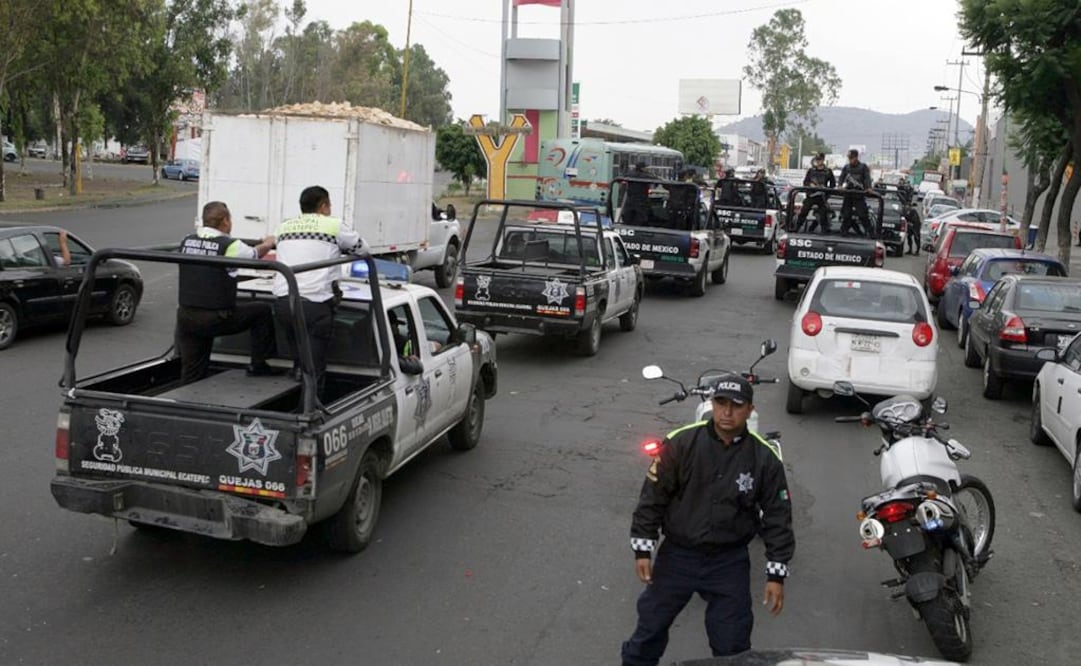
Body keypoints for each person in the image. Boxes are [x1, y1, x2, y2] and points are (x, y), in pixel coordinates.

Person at [621, 374, 795, 665]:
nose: (727, 412)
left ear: (750, 410)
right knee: (649, 631)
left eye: (736, 406)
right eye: (721, 403)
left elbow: (778, 517)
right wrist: (643, 547)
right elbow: (653, 496)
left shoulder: (764, 458)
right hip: (678, 556)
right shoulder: (682, 443)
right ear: (711, 404)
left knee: (733, 645)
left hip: (729, 563)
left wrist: (776, 574)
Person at [272, 186, 368, 391]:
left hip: (282, 303)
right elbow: (362, 248)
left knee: (299, 355)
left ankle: (297, 370)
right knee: (314, 369)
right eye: (329, 205)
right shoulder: (333, 225)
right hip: (315, 305)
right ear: (323, 206)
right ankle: (310, 413)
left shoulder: (284, 226)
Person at [175, 201, 278, 384]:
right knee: (261, 311)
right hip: (216, 318)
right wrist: (269, 243)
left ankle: (186, 402)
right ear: (225, 221)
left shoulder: (186, 240)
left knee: (192, 372)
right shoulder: (229, 245)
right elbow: (255, 254)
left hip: (186, 317)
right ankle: (258, 364)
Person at [797, 153, 836, 233]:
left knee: (823, 213)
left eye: (820, 160)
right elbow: (805, 182)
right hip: (811, 195)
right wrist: (810, 185)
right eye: (817, 160)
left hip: (822, 196)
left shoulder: (828, 171)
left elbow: (833, 184)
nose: (818, 162)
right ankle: (797, 227)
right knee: (804, 211)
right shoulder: (811, 171)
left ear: (823, 160)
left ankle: (824, 230)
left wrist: (826, 190)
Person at [838, 149, 874, 237]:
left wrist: (868, 188)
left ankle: (871, 232)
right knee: (846, 214)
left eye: (852, 158)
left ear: (856, 157)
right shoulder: (846, 167)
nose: (850, 160)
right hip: (849, 193)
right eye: (849, 158)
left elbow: (867, 178)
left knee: (862, 215)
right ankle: (843, 232)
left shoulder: (863, 167)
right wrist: (840, 185)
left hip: (859, 194)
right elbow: (841, 177)